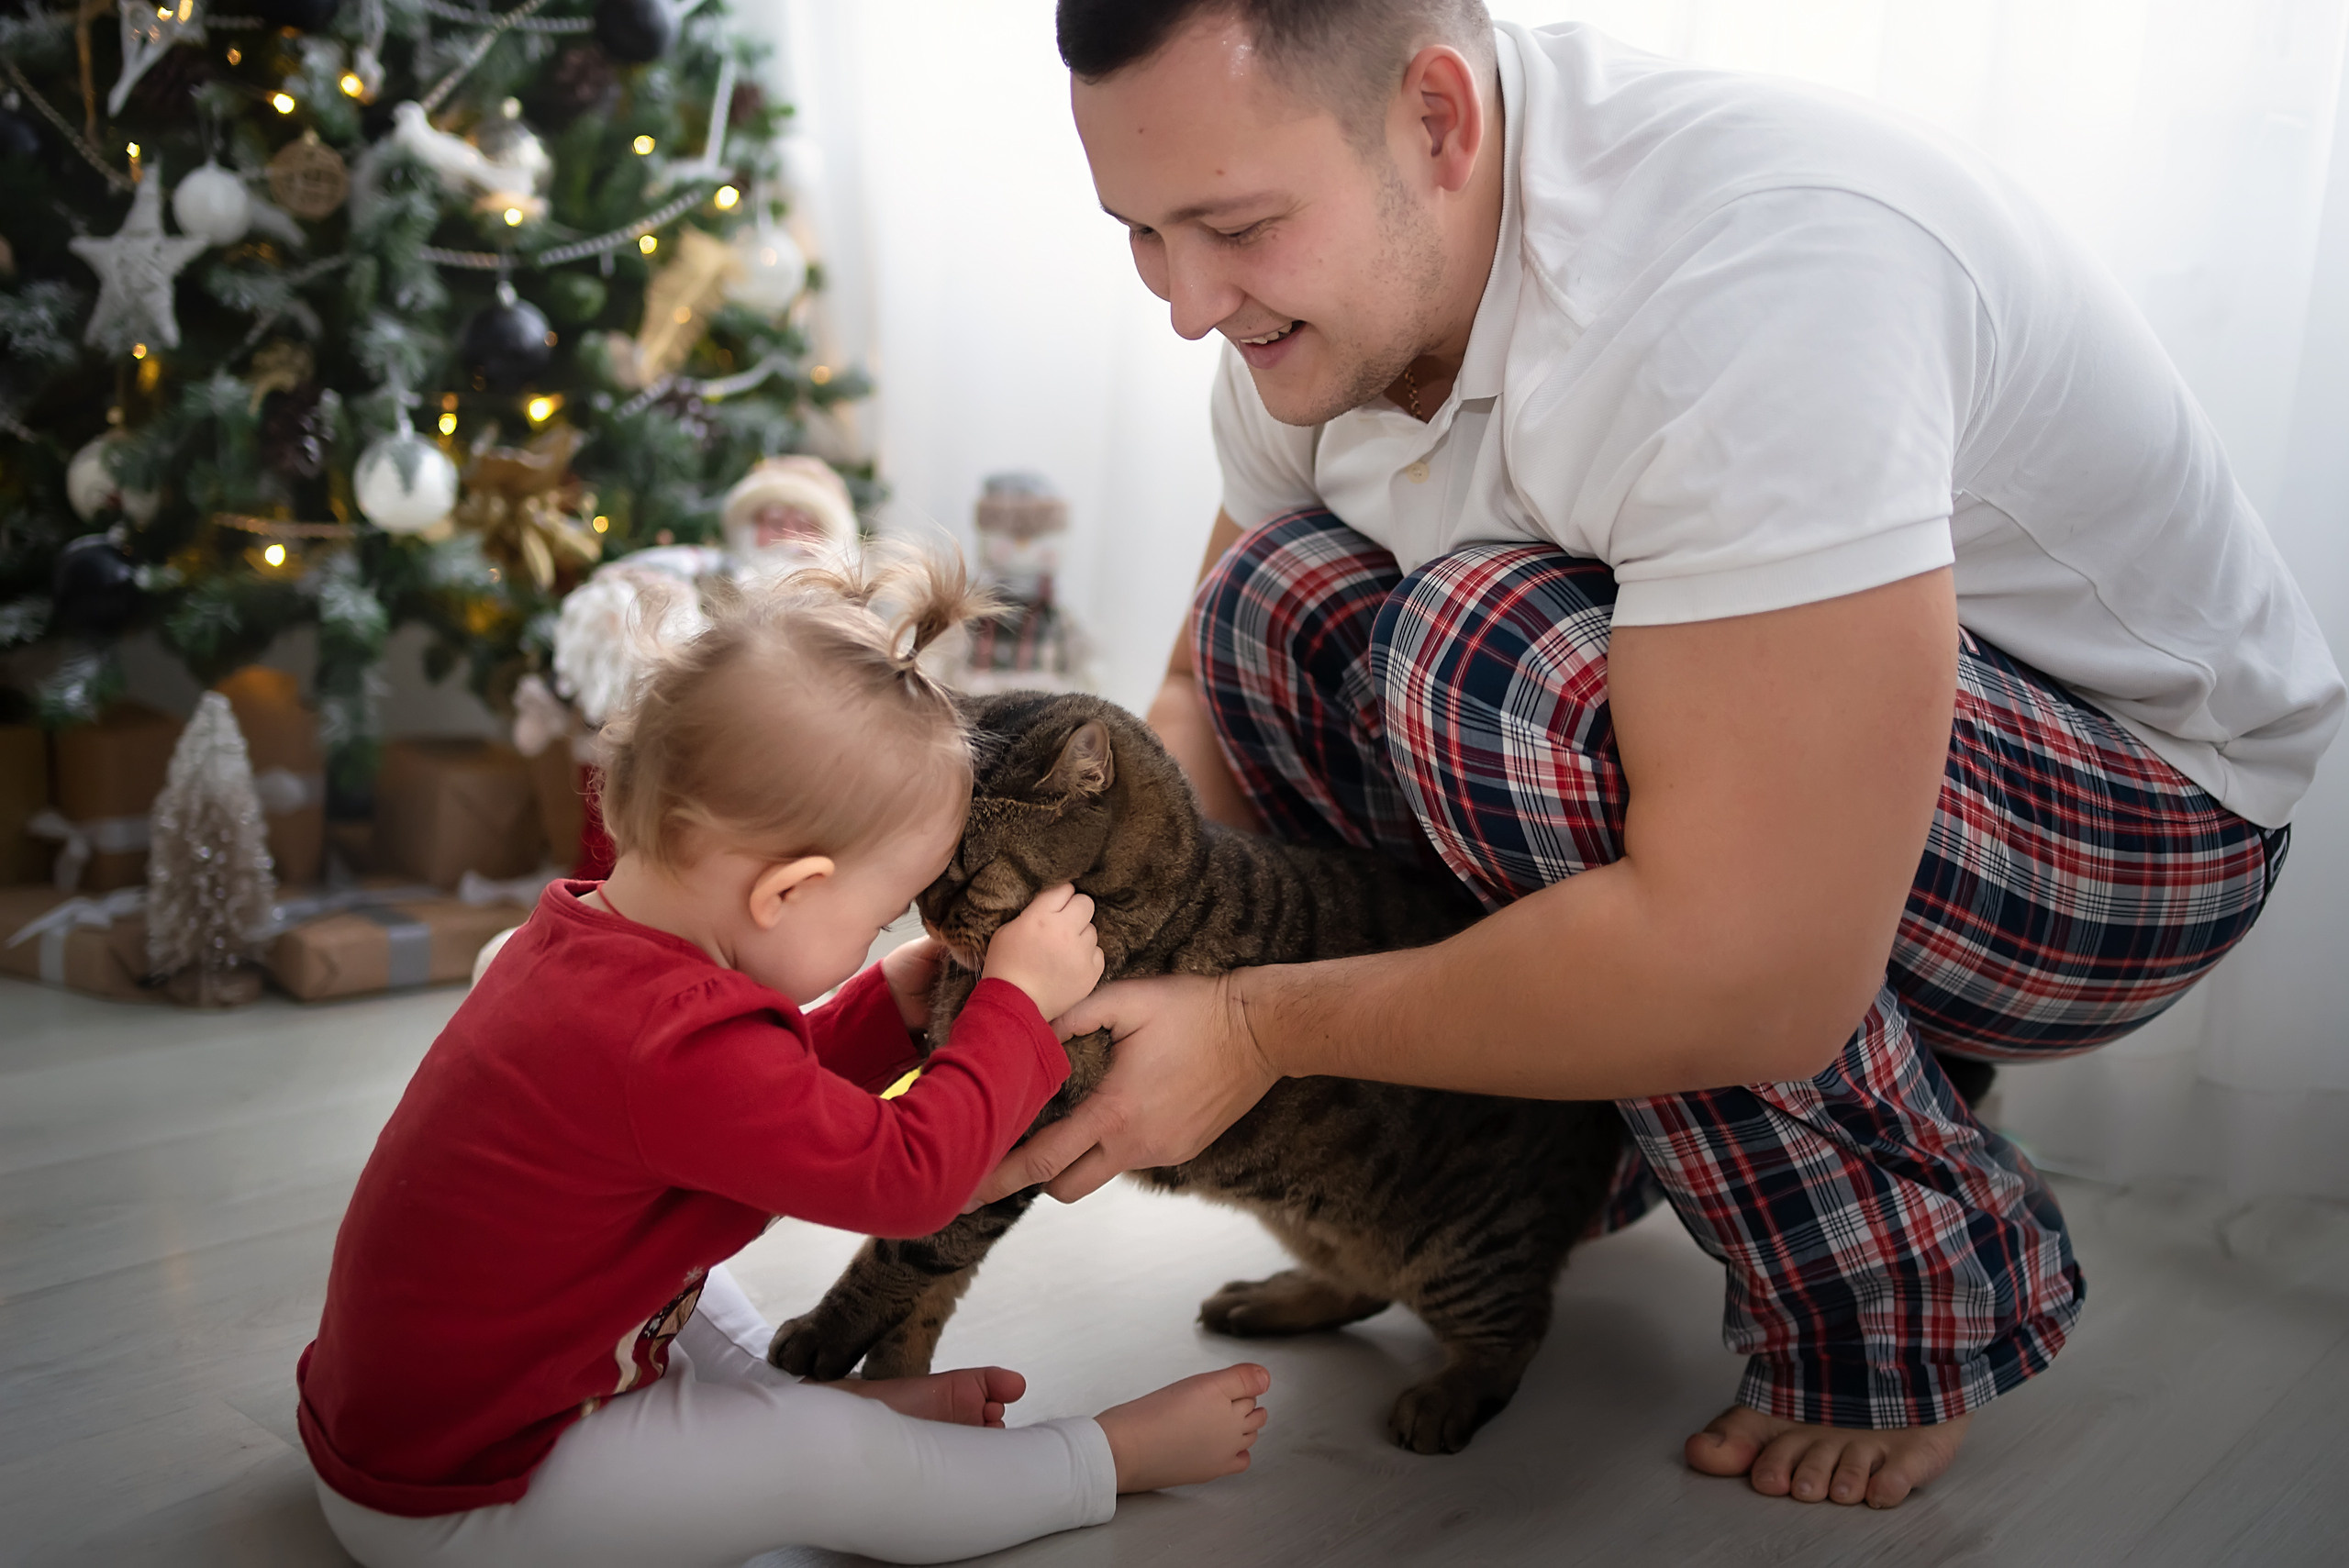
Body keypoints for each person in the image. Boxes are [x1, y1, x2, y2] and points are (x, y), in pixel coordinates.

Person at [974, 0, 2348, 1512]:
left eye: (1235, 228)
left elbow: (1758, 966)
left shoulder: (1749, 282)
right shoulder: (1319, 300)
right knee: (1273, 604)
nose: (1186, 304)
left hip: (2147, 826)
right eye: (1143, 232)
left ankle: (1900, 1295)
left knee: (1490, 659)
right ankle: (1540, 1152)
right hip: (1840, 774)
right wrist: (1068, 949)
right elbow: (1198, 689)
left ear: (1436, 120)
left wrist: (1256, 1025)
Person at [295, 559, 1270, 1568]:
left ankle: (794, 1402)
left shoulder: (584, 946)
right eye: (879, 916)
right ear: (788, 892)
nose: (895, 932)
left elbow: (755, 1096)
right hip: (463, 1492)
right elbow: (908, 1176)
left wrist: (882, 1007)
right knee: (823, 1460)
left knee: (695, 1289)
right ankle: (1095, 1458)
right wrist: (1014, 1006)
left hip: (432, 1402)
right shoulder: (669, 1043)